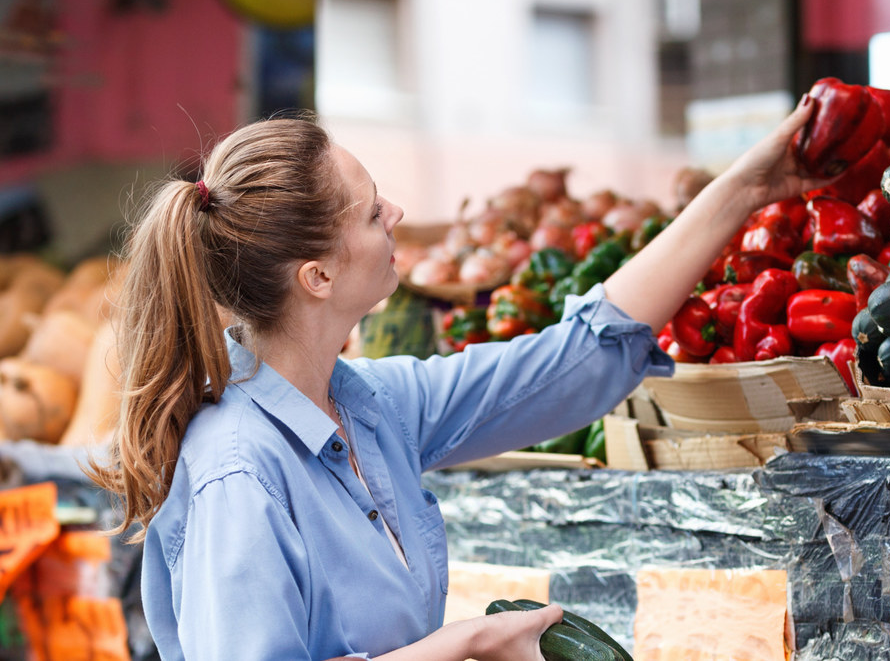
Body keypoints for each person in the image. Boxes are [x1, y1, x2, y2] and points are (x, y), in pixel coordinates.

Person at [88, 95, 827, 661]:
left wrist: (743, 191)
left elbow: (571, 364)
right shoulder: (239, 474)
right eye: (374, 212)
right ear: (317, 276)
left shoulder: (368, 405)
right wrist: (462, 645)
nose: (399, 214)